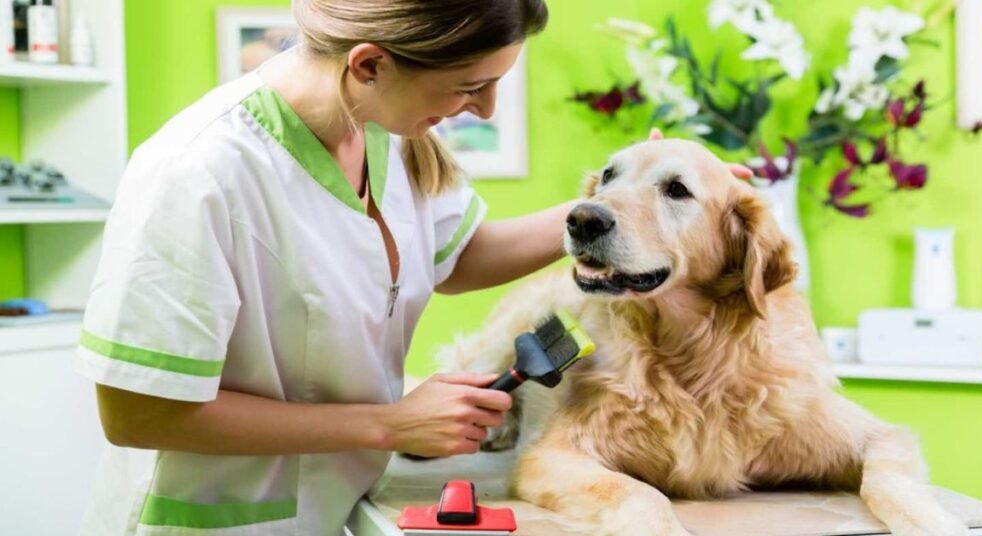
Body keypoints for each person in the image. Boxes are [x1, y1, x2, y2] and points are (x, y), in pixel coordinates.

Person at [74, 1, 751, 533]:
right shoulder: (197, 174)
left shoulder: (382, 135)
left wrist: (618, 211)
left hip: (341, 506)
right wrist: (387, 424)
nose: (484, 109)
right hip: (211, 522)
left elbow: (459, 257)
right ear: (369, 65)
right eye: (472, 86)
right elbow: (139, 415)